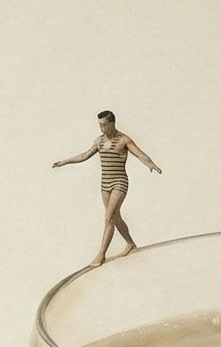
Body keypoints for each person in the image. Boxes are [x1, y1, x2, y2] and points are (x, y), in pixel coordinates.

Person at [54, 110, 161, 265]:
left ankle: (101, 255)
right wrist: (64, 161)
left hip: (119, 182)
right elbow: (85, 155)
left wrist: (150, 163)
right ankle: (130, 244)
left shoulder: (124, 140)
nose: (101, 128)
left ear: (112, 123)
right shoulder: (99, 141)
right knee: (115, 216)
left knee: (109, 218)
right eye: (100, 125)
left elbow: (139, 154)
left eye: (104, 124)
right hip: (105, 185)